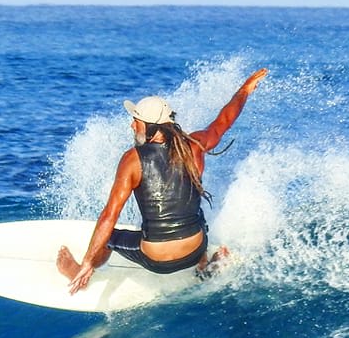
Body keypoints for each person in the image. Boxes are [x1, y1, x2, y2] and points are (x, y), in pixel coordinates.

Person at [57, 68, 268, 294]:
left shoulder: (132, 159)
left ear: (151, 126)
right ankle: (204, 267)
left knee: (109, 237)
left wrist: (88, 260)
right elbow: (224, 121)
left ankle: (81, 272)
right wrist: (244, 90)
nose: (132, 126)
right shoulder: (195, 145)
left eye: (136, 121)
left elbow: (110, 214)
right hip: (194, 250)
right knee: (196, 214)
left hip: (156, 261)